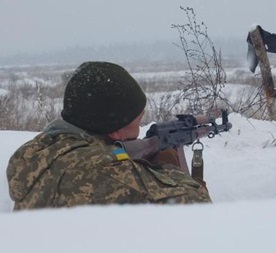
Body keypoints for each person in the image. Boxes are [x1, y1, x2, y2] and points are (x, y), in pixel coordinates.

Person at [7, 61, 211, 210]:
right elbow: (199, 208)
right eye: (138, 120)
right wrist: (167, 166)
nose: (139, 129)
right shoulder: (106, 171)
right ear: (116, 131)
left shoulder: (33, 154)